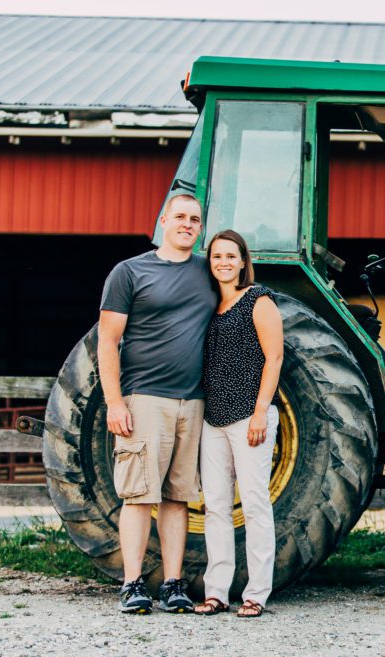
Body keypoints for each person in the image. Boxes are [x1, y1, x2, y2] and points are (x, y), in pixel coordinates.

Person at [98, 193, 217, 614]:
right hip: (145, 399)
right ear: (163, 220)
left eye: (195, 219)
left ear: (201, 228)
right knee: (138, 496)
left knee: (177, 497)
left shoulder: (208, 273)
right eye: (180, 216)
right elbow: (108, 340)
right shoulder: (130, 272)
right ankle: (132, 584)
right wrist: (115, 402)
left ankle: (172, 583)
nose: (187, 223)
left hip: (194, 401)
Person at [193, 230, 283, 618]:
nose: (224, 262)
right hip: (213, 420)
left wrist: (261, 410)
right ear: (209, 262)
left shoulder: (257, 300)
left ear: (244, 261)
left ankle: (256, 594)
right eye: (217, 257)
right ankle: (217, 592)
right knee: (215, 507)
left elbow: (274, 357)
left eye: (231, 256)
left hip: (250, 416)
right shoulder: (211, 305)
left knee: (255, 503)